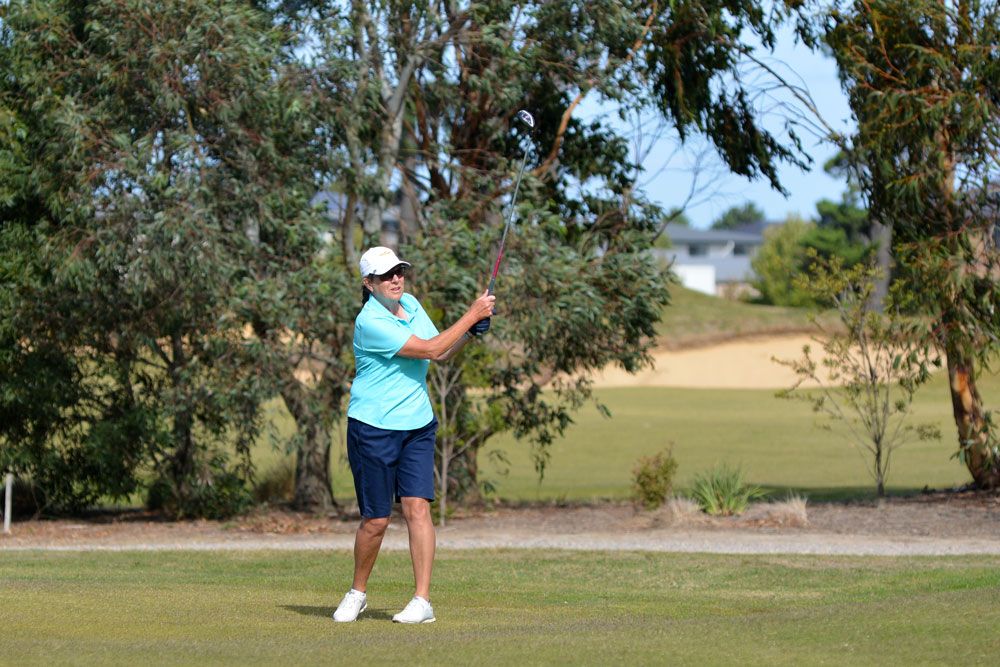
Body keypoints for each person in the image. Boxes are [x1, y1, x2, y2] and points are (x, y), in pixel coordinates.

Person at [332, 246, 495, 624]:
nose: (396, 279)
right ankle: (357, 592)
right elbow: (430, 348)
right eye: (386, 275)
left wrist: (470, 333)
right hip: (373, 427)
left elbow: (442, 353)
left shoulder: (411, 304)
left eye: (399, 272)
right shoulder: (369, 322)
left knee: (417, 508)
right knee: (376, 520)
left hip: (417, 425)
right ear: (368, 283)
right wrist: (471, 314)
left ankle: (422, 601)